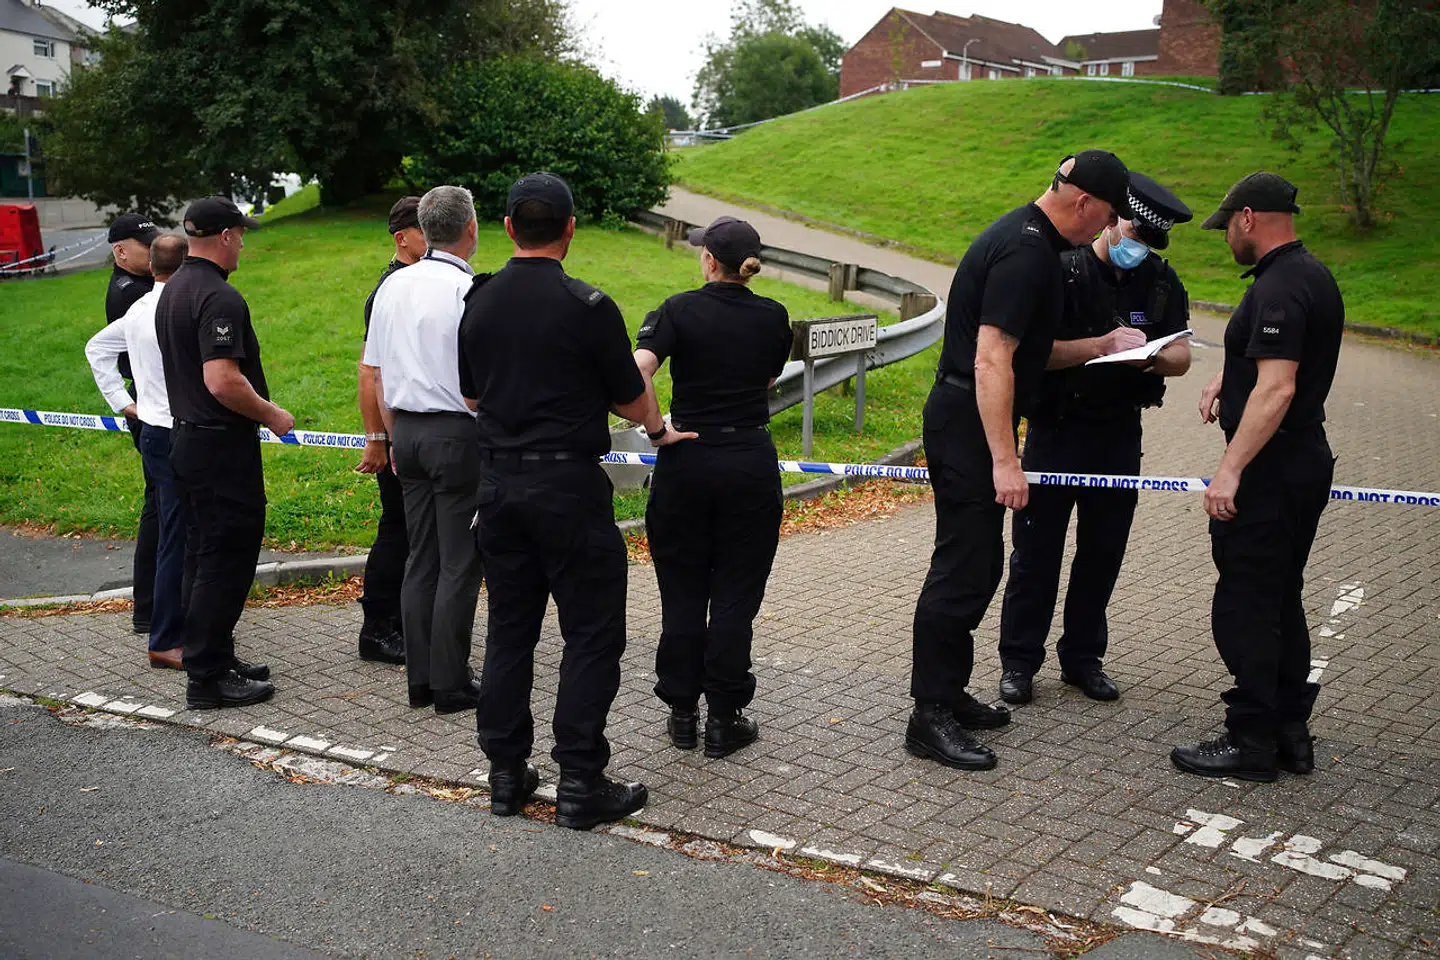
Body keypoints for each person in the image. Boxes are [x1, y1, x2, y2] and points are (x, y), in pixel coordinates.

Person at [459, 172, 689, 827]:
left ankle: (506, 775)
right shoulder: (588, 306)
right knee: (590, 635)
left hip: (499, 486)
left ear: (507, 228)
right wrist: (655, 429)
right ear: (569, 229)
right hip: (567, 489)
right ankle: (582, 783)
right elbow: (629, 396)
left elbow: (471, 395)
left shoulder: (478, 301)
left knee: (509, 631)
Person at [907, 150, 1132, 772]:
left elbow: (1031, 352)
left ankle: (948, 692)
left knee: (980, 569)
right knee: (962, 568)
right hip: (967, 422)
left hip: (973, 417)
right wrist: (1006, 459)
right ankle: (929, 716)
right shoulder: (1028, 253)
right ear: (1083, 201)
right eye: (1108, 215)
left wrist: (1101, 345)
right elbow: (991, 359)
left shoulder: (1031, 242)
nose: (1107, 230)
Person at [997, 173, 1194, 706]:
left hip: (1117, 434)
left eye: (1149, 242)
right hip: (1057, 430)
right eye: (1133, 232)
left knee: (1102, 553)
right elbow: (1030, 353)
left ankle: (1083, 659)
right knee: (1036, 555)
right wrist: (1099, 346)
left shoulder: (1158, 282)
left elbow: (1182, 355)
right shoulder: (1060, 270)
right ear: (1111, 220)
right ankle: (1018, 662)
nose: (1138, 248)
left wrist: (1148, 354)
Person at [1172, 173, 1343, 783]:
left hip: (1270, 471)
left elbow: (1278, 387)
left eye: (1226, 229)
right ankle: (1290, 732)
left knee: (1245, 604)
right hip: (1301, 460)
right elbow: (1270, 368)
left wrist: (1230, 470)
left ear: (1248, 218)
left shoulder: (1278, 287)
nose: (1226, 240)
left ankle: (1250, 740)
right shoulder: (1309, 274)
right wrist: (1230, 378)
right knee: (1280, 599)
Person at [634, 216, 793, 759]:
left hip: (687, 460)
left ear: (708, 259)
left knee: (682, 594)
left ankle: (681, 713)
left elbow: (638, 373)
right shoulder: (775, 317)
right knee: (735, 597)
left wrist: (658, 431)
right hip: (748, 460)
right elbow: (768, 380)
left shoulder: (678, 309)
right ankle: (725, 719)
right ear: (750, 266)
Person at [155, 196, 289, 710]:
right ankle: (208, 678)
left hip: (187, 440)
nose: (243, 244)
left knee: (201, 554)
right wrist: (271, 414)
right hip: (217, 446)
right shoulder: (219, 297)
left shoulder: (174, 288)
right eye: (242, 234)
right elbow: (222, 379)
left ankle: (212, 655)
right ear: (228, 235)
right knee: (225, 560)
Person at [365, 186, 485, 714]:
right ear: (471, 230)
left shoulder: (393, 286)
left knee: (421, 558)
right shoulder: (470, 290)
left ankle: (421, 677)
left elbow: (376, 371)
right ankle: (450, 682)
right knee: (459, 561)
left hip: (406, 430)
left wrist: (389, 435)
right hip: (456, 432)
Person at [86, 234, 191, 669]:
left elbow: (97, 348)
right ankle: (167, 636)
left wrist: (124, 403)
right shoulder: (179, 307)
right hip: (176, 433)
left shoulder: (139, 309)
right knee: (179, 535)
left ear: (151, 268)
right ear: (186, 267)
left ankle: (176, 627)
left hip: (152, 429)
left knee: (174, 531)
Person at [353, 196, 425, 665]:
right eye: (423, 230)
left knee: (412, 529)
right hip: (397, 432)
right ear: (402, 237)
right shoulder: (391, 289)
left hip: (413, 431)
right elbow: (369, 372)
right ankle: (378, 628)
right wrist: (377, 438)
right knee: (397, 528)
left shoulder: (416, 281)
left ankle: (404, 619)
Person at [105, 213, 162, 637]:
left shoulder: (140, 286)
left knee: (160, 506)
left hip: (150, 403)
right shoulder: (130, 294)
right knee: (162, 508)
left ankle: (152, 607)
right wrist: (124, 403)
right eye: (146, 245)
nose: (153, 251)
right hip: (149, 407)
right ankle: (150, 607)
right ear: (121, 251)